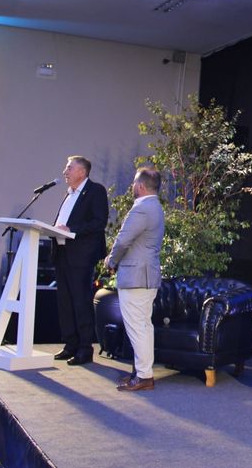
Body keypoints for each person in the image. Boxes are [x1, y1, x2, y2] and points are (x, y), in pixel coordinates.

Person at [105, 167, 164, 392]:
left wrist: (111, 261)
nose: (131, 187)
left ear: (140, 186)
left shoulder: (141, 208)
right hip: (146, 276)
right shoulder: (156, 207)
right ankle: (142, 373)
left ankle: (143, 376)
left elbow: (123, 240)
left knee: (138, 327)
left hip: (136, 276)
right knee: (144, 327)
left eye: (133, 183)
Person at [52, 155, 108, 366]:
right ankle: (70, 344)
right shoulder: (69, 194)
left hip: (81, 256)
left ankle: (85, 348)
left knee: (80, 301)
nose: (65, 172)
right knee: (65, 302)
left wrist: (71, 229)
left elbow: (99, 222)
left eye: (69, 168)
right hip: (62, 253)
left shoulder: (95, 191)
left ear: (82, 172)